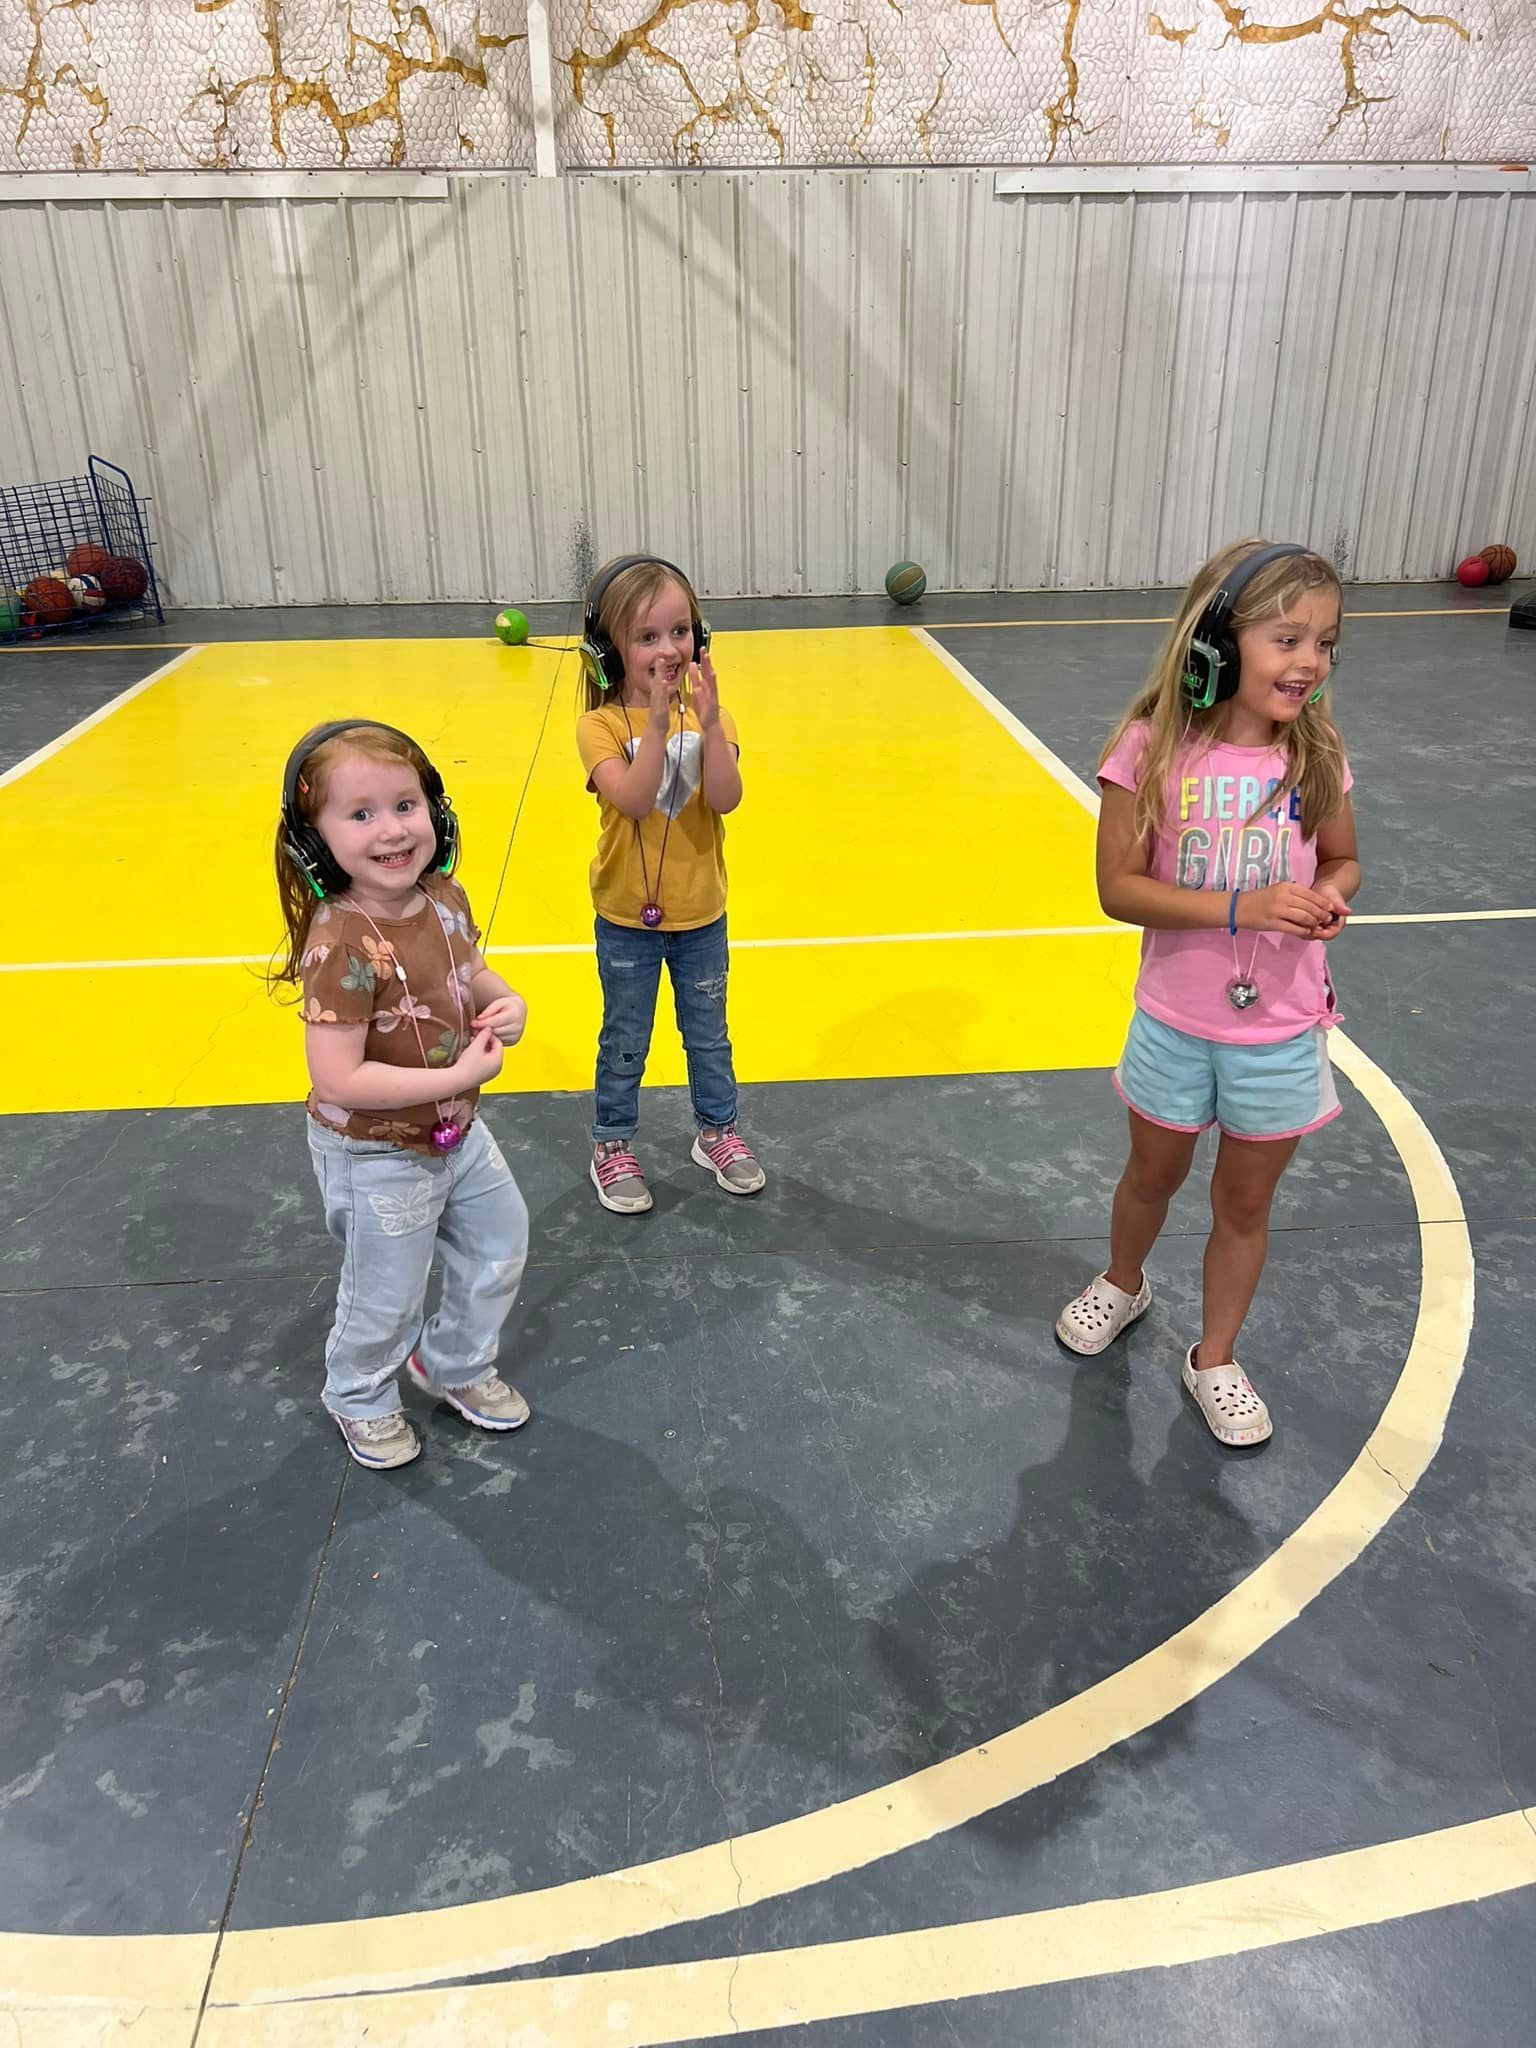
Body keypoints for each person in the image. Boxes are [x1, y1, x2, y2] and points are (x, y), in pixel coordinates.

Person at [1055, 541, 1360, 1447]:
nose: (1310, 662)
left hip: (1282, 1031)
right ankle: (1124, 1280)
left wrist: (1328, 898)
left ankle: (1215, 1355)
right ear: (1218, 644)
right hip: (1175, 1024)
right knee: (1152, 1174)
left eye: (1326, 643)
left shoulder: (1315, 753)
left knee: (1246, 1205)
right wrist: (1243, 907)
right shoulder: (1149, 749)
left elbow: (1345, 859)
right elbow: (1118, 889)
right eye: (1287, 639)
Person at [273, 719, 531, 1469]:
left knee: (500, 1245)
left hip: (456, 1132)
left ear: (436, 814)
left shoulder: (443, 896)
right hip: (376, 1151)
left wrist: (504, 999)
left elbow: (468, 970)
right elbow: (339, 1078)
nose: (391, 830)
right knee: (387, 1293)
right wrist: (457, 1078)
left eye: (405, 805)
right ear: (314, 843)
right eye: (360, 814)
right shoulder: (340, 942)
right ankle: (359, 1396)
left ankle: (453, 1362)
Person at [575, 555, 765, 1214]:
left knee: (708, 1034)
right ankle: (611, 1144)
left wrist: (708, 725)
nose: (668, 650)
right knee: (626, 1038)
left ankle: (718, 1131)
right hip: (626, 918)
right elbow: (631, 799)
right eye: (647, 637)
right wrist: (656, 725)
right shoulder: (599, 726)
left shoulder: (715, 717)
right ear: (609, 652)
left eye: (680, 632)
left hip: (701, 915)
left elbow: (726, 797)